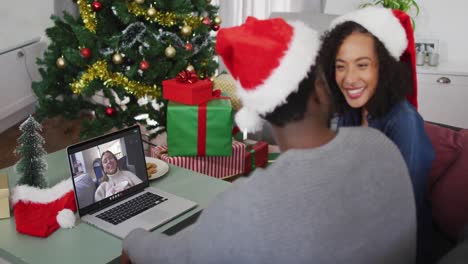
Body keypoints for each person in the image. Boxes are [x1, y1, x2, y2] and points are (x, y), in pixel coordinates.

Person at [121, 16, 416, 264]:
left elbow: (173, 257)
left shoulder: (246, 205)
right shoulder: (381, 146)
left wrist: (132, 240)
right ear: (320, 90)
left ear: (262, 112)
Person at [316, 7, 435, 263]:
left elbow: (402, 210)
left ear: (385, 67)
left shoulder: (404, 122)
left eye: (362, 65)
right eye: (340, 66)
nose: (349, 78)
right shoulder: (350, 112)